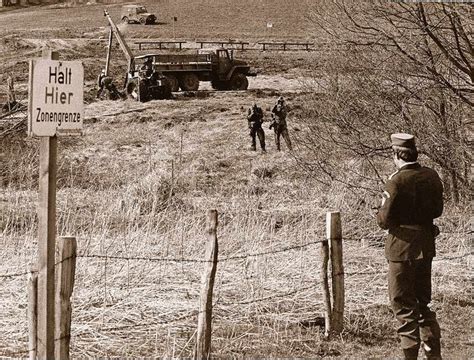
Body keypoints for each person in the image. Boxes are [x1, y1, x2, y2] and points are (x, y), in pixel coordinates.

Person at [377, 133, 443, 360]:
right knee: (423, 303)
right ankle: (434, 356)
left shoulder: (395, 181)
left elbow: (383, 220)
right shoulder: (432, 175)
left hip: (401, 249)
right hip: (426, 245)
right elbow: (437, 211)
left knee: (403, 306)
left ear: (396, 154)